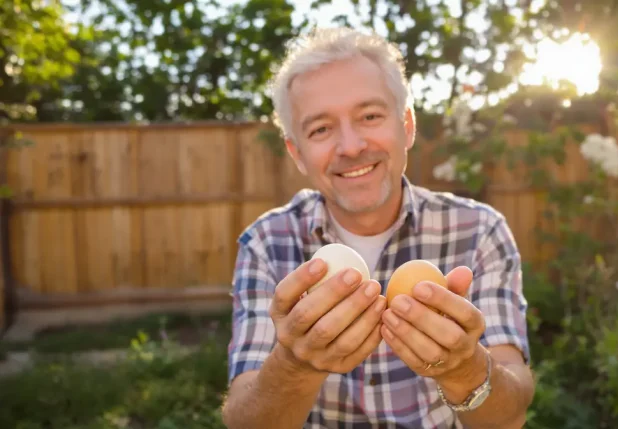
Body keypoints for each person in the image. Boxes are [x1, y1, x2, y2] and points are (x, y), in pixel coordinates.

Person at [221, 27, 534, 429]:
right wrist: (294, 364)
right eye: (320, 129)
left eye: (369, 116)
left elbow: (511, 415)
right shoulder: (266, 243)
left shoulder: (479, 231)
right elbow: (247, 422)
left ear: (407, 125)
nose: (350, 146)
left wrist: (464, 369)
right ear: (297, 154)